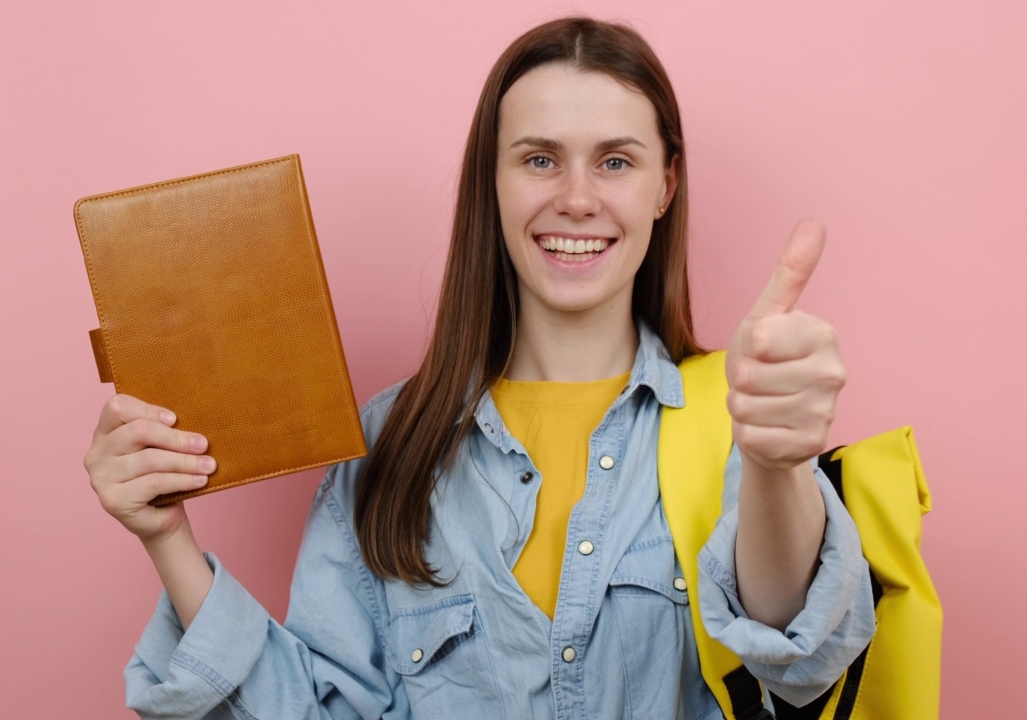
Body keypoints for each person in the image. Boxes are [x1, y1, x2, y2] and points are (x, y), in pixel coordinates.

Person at [84, 16, 875, 719]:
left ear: (665, 185)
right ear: (490, 183)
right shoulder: (392, 442)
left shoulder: (738, 420)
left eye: (616, 162)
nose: (575, 197)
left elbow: (799, 663)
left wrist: (776, 464)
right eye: (538, 159)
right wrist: (166, 537)